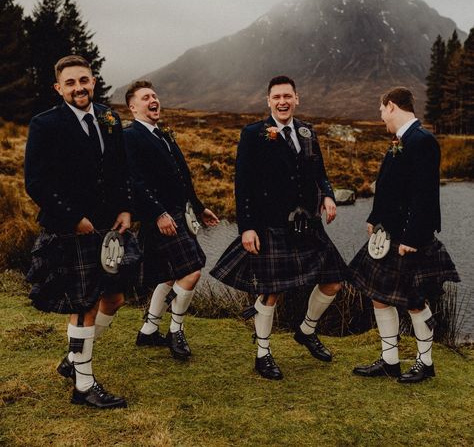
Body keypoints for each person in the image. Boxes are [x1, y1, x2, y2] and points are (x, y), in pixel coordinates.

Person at [210, 75, 347, 380]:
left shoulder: (307, 131)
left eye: (288, 96)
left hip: (308, 225)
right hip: (270, 225)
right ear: (268, 101)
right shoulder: (253, 134)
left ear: (296, 98)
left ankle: (307, 331)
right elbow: (242, 184)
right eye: (277, 97)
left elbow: (320, 172)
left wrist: (327, 195)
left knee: (334, 281)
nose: (283, 102)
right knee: (271, 293)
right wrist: (246, 228)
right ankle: (263, 354)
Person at [25, 55, 140, 408]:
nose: (79, 87)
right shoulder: (45, 124)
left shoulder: (108, 116)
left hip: (108, 226)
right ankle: (84, 386)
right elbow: (35, 182)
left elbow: (121, 169)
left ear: (93, 81)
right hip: (70, 230)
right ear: (59, 88)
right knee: (85, 304)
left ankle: (74, 359)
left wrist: (125, 207)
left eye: (84, 80)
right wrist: (74, 217)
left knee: (115, 298)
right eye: (70, 83)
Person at [349, 87, 460, 383]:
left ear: (392, 106)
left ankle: (426, 363)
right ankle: (390, 361)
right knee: (379, 297)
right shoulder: (400, 140)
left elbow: (424, 195)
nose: (381, 117)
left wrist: (412, 238)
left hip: (409, 237)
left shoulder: (422, 141)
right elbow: (390, 187)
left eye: (382, 111)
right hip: (388, 233)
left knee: (414, 299)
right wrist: (375, 218)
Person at [123, 81, 219, 360]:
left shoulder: (163, 134)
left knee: (169, 275)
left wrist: (200, 208)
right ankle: (176, 329)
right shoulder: (130, 136)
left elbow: (182, 177)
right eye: (145, 97)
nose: (153, 100)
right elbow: (134, 181)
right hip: (161, 216)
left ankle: (149, 330)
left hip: (179, 212)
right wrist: (158, 214)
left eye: (154, 95)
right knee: (191, 271)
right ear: (133, 107)